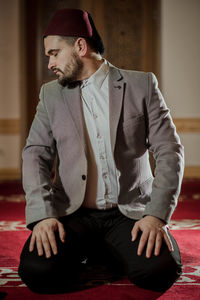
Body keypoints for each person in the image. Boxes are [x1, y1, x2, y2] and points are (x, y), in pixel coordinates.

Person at [18, 8, 184, 294]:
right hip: (74, 214)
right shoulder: (51, 95)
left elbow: (169, 151)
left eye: (54, 53)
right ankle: (102, 251)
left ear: (80, 46)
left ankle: (108, 250)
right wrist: (44, 216)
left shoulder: (141, 85)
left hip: (129, 213)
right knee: (37, 273)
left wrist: (155, 217)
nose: (50, 63)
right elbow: (35, 154)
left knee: (158, 271)